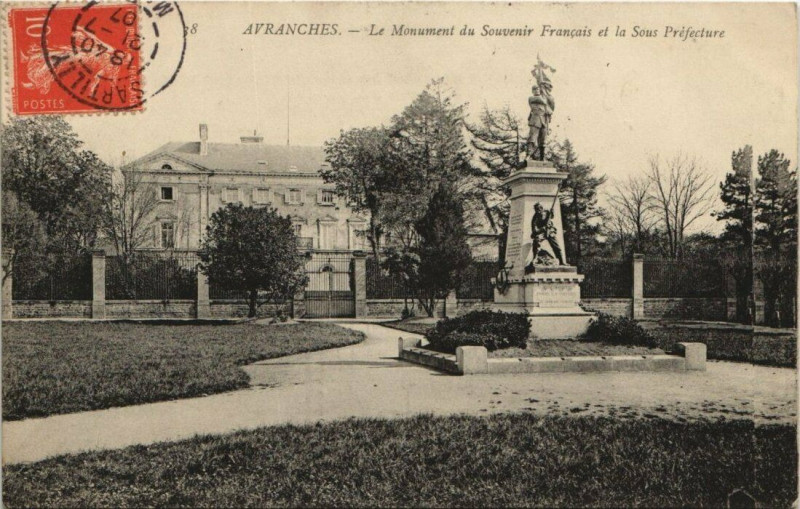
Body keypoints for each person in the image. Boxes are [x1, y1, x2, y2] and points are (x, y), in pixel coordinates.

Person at [529, 202, 564, 266]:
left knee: (556, 246)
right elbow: (534, 230)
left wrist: (552, 212)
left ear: (541, 208)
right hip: (542, 232)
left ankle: (562, 261)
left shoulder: (547, 212)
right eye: (536, 210)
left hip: (550, 231)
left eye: (539, 209)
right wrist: (541, 229)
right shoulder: (535, 217)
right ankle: (535, 258)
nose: (538, 211)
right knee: (536, 241)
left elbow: (552, 217)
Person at [527, 85, 549, 160]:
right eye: (535, 90)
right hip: (535, 120)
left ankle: (542, 157)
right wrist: (544, 94)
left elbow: (549, 109)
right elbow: (541, 100)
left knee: (543, 140)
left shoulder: (544, 99)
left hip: (543, 121)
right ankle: (528, 155)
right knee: (532, 138)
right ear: (532, 91)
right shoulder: (532, 98)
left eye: (538, 89)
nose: (537, 91)